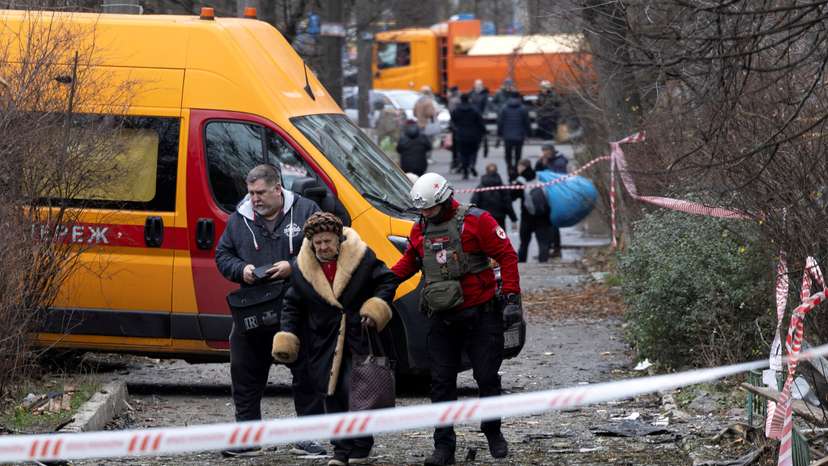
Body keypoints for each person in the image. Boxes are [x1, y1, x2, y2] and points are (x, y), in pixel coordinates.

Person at [391, 173, 522, 466]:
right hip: (442, 319)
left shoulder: (478, 221)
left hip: (482, 316)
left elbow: (507, 256)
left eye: (429, 209)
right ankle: (444, 447)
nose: (424, 215)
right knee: (440, 384)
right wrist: (382, 285)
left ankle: (493, 431)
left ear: (444, 200)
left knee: (487, 378)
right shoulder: (421, 229)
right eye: (421, 210)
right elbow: (409, 262)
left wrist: (511, 298)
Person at [215, 164, 326, 458]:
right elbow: (222, 254)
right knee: (244, 374)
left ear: (278, 189)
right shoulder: (240, 219)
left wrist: (294, 265)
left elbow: (327, 247)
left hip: (297, 308)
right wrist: (243, 270)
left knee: (307, 374)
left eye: (261, 192)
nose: (255, 199)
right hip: (252, 309)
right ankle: (247, 438)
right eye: (251, 193)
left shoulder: (306, 210)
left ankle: (309, 437)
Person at [273, 212, 398, 466]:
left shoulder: (363, 258)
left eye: (327, 241)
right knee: (330, 395)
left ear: (339, 239)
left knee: (356, 392)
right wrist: (287, 334)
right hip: (322, 342)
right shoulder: (301, 269)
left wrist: (374, 308)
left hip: (357, 337)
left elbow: (387, 281)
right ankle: (340, 450)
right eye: (317, 243)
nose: (322, 247)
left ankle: (361, 445)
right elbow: (291, 304)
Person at [513, 159, 554, 262]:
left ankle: (521, 264)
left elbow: (512, 196)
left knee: (524, 243)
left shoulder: (520, 180)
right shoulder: (540, 176)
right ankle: (543, 264)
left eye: (518, 167)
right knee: (543, 243)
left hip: (527, 217)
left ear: (522, 167)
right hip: (543, 215)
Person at [450, 93, 486, 180]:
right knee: (473, 152)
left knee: (463, 153)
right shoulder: (474, 109)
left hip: (461, 135)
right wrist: (484, 131)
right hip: (473, 134)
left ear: (461, 100)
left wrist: (455, 130)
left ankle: (465, 171)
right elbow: (480, 122)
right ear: (469, 99)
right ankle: (472, 165)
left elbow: (452, 122)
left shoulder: (456, 110)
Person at [470, 163, 517, 230]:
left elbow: (474, 203)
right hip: (499, 219)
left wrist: (471, 219)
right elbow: (508, 204)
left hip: (484, 218)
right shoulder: (502, 188)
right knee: (500, 239)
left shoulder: (480, 187)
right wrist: (513, 219)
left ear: (486, 172)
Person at [497, 92, 531, 180]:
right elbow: (527, 122)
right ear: (519, 98)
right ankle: (516, 170)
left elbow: (500, 122)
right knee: (518, 155)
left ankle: (509, 168)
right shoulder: (523, 108)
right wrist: (528, 134)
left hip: (507, 135)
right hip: (519, 135)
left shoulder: (504, 108)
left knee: (508, 154)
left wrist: (499, 133)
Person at [469, 79, 490, 159]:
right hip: (472, 116)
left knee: (482, 132)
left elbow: (486, 105)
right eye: (477, 84)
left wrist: (485, 113)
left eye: (479, 85)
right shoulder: (471, 93)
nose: (478, 86)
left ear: (482, 85)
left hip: (481, 116)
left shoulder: (485, 94)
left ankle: (483, 146)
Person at [446, 86, 462, 171]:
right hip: (461, 126)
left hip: (455, 127)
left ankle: (456, 163)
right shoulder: (460, 99)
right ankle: (460, 162)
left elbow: (452, 114)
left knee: (455, 146)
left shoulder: (452, 101)